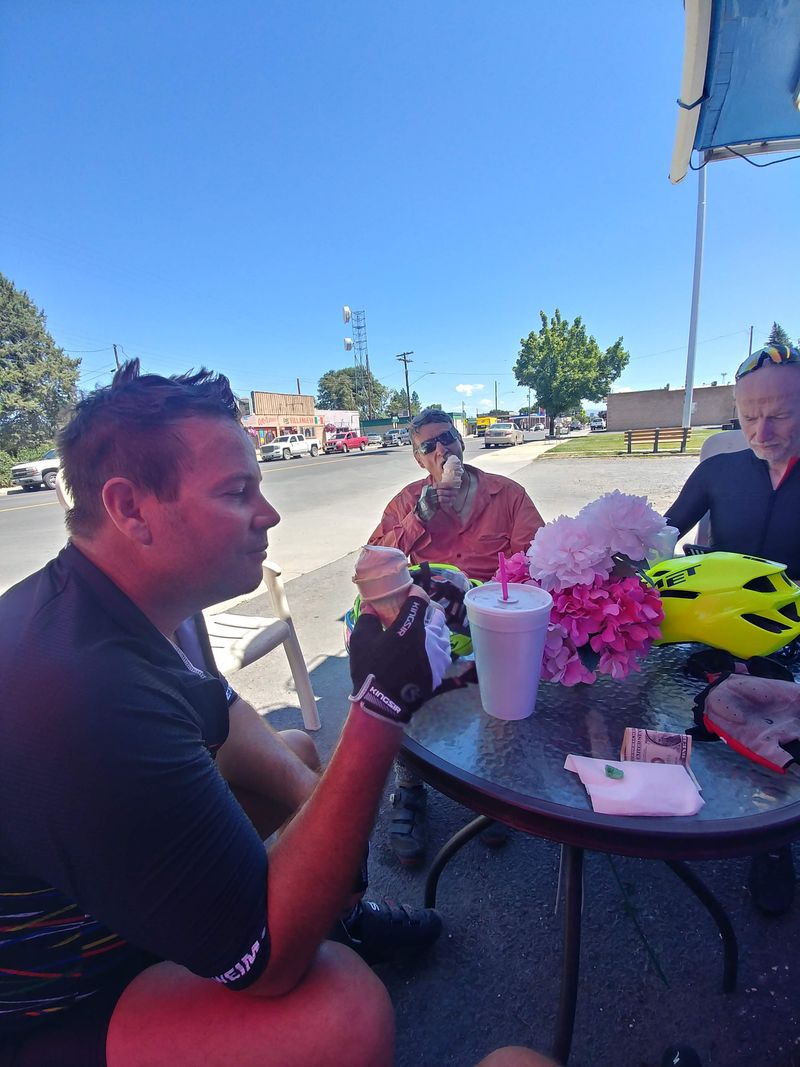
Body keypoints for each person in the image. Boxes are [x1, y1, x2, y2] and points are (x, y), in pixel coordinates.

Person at [0, 362, 445, 1067]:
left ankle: (340, 918)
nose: (269, 514)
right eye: (239, 492)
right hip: (56, 1000)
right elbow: (266, 960)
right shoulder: (77, 690)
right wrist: (380, 704)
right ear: (130, 508)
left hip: (113, 901)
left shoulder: (149, 596)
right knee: (343, 1014)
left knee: (295, 753)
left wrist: (330, 853)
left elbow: (225, 710)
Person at [368, 408, 545, 866]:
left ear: (462, 441)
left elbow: (539, 558)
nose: (441, 448)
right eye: (429, 445)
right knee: (393, 662)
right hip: (427, 620)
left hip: (492, 618)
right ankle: (409, 788)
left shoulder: (507, 495)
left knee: (505, 681)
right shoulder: (408, 501)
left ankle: (489, 781)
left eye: (447, 438)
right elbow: (373, 564)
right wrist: (419, 518)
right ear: (418, 459)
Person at [665, 343, 800, 916]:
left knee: (782, 742)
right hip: (721, 634)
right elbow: (657, 534)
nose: (761, 430)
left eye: (780, 413)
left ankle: (773, 842)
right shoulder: (719, 469)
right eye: (748, 417)